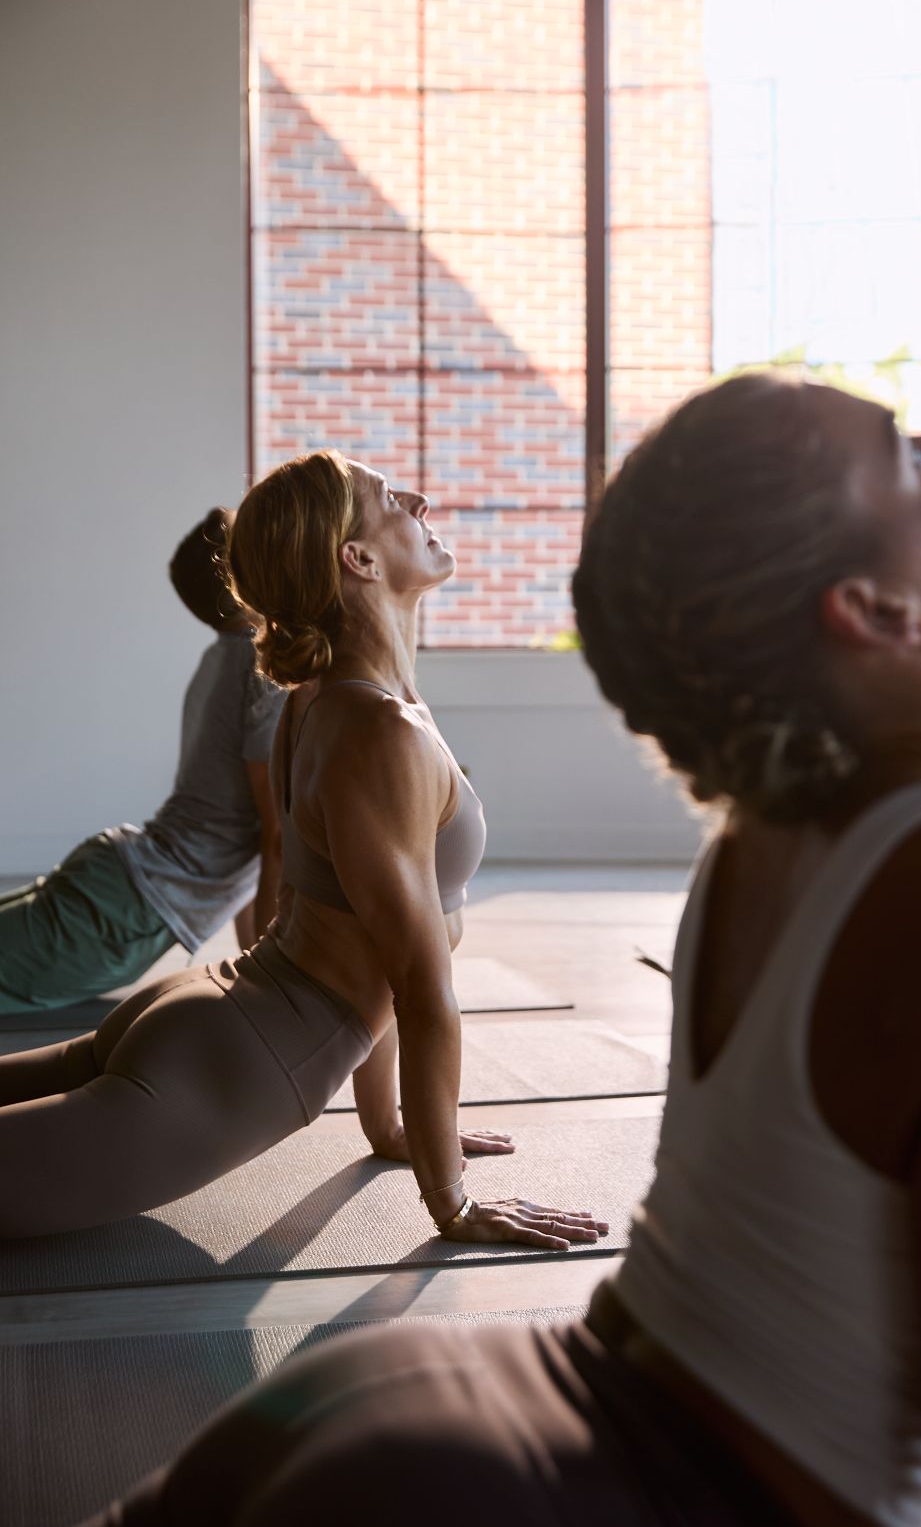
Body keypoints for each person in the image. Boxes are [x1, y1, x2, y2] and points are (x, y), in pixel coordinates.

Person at [81, 373, 921, 1527]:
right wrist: (437, 1179)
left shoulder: (757, 849)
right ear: (871, 607)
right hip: (547, 1480)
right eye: (910, 459)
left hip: (430, 1421)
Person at [0, 453, 603, 1248]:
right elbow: (422, 992)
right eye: (392, 499)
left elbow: (369, 938)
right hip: (230, 1066)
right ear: (358, 558)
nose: (420, 500)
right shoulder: (379, 730)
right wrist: (451, 1203)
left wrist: (387, 1126)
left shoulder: (332, 701)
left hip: (216, 1016)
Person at [0, 508, 284, 1014]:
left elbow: (259, 853)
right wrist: (276, 1004)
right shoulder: (262, 668)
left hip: (121, 892)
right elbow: (275, 840)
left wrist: (255, 976)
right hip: (122, 908)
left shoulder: (224, 658)